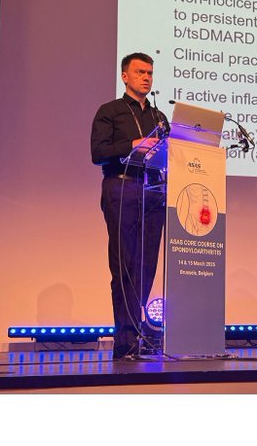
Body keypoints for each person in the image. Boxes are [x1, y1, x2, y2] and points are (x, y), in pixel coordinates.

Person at [90, 52, 169, 358]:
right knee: (124, 265)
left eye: (149, 73)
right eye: (140, 72)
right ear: (125, 76)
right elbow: (98, 153)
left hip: (154, 191)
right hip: (122, 186)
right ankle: (125, 343)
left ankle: (136, 333)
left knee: (146, 266)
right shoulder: (110, 111)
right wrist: (132, 145)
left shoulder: (159, 117)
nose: (146, 78)